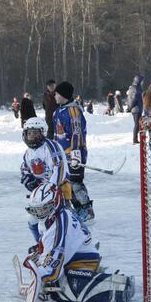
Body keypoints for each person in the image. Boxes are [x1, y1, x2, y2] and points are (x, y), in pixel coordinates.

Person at [20, 182, 134, 302]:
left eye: (43, 208)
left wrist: (41, 273)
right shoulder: (56, 215)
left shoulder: (59, 223)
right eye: (37, 209)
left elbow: (52, 269)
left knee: (62, 290)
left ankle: (120, 287)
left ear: (55, 203)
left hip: (83, 261)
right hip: (76, 255)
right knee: (54, 287)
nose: (39, 213)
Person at [19, 117, 69, 243]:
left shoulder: (51, 146)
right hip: (41, 193)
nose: (32, 136)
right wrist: (28, 179)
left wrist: (51, 187)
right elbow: (24, 168)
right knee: (33, 220)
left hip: (58, 189)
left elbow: (60, 167)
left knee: (62, 217)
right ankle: (40, 245)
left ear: (43, 132)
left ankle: (78, 239)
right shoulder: (28, 153)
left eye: (35, 133)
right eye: (29, 133)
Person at [52, 81, 94, 222]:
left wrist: (75, 153)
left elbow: (77, 133)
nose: (54, 95)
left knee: (75, 183)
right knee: (64, 184)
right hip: (62, 155)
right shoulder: (58, 111)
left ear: (63, 95)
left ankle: (86, 210)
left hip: (74, 154)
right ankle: (75, 210)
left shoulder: (73, 111)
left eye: (57, 93)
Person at [126, 75, 144, 144]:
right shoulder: (136, 88)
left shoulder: (136, 87)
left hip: (137, 108)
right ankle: (135, 139)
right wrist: (130, 107)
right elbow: (133, 99)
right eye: (141, 81)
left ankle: (136, 138)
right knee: (137, 124)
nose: (142, 82)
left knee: (138, 124)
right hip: (136, 109)